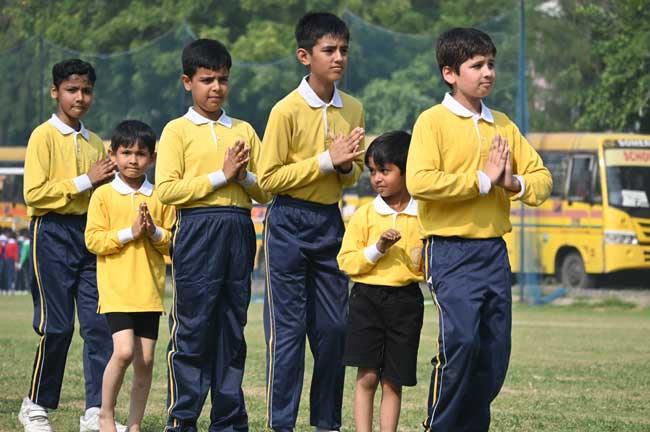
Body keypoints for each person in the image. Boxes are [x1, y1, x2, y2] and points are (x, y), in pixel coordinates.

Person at [405, 28, 553, 432]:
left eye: (491, 64)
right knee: (461, 344)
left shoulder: (502, 125)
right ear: (449, 73)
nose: (488, 72)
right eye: (477, 65)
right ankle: (438, 426)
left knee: (493, 354)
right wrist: (482, 180)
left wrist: (512, 182)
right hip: (448, 252)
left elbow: (542, 179)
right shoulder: (431, 122)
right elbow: (420, 181)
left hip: (493, 253)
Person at [258, 12, 365, 432]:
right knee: (288, 332)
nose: (339, 58)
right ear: (305, 56)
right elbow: (268, 179)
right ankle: (281, 424)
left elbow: (353, 173)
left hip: (329, 222)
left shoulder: (353, 108)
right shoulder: (285, 110)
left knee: (335, 329)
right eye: (329, 50)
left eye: (344, 50)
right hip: (287, 221)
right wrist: (325, 160)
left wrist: (344, 166)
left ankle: (327, 423)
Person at [156, 38, 270, 432]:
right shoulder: (176, 131)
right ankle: (182, 418)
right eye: (207, 80)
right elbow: (167, 190)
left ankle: (229, 420)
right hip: (196, 228)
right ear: (187, 82)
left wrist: (244, 176)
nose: (216, 88)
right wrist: (221, 176)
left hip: (238, 227)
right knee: (192, 327)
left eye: (222, 79)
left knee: (232, 329)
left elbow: (266, 190)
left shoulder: (244, 129)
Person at [19, 58, 124, 432]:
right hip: (50, 232)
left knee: (98, 325)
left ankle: (96, 411)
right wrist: (87, 180)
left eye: (86, 90)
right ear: (55, 92)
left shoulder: (95, 142)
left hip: (88, 234)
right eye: (72, 90)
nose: (80, 97)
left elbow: (100, 191)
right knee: (57, 325)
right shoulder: (43, 136)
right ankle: (35, 405)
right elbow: (34, 194)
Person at [85, 120, 175, 432]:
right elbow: (93, 240)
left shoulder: (160, 196)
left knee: (145, 361)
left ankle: (134, 424)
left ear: (152, 158)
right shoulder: (103, 196)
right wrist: (130, 233)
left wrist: (153, 232)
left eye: (140, 153)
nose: (133, 160)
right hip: (117, 290)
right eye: (126, 153)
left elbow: (172, 242)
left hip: (149, 291)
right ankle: (105, 415)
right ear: (113, 155)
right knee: (123, 352)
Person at [337, 131, 424, 432]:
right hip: (367, 301)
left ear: (407, 170)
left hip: (406, 303)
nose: (377, 178)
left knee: (392, 380)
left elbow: (427, 263)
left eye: (385, 171)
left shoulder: (424, 216)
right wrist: (378, 248)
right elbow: (346, 262)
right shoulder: (364, 215)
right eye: (373, 171)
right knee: (368, 376)